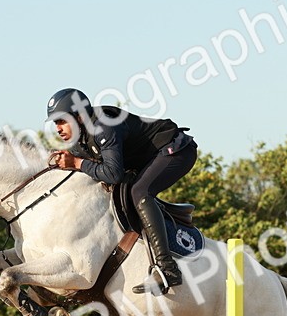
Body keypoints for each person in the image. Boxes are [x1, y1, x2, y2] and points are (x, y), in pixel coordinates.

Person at [45, 88, 197, 294]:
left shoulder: (103, 125)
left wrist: (78, 163)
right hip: (149, 158)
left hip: (176, 150)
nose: (58, 129)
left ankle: (167, 268)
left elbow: (113, 173)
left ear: (79, 116)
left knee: (139, 192)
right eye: (55, 123)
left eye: (62, 121)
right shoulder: (80, 142)